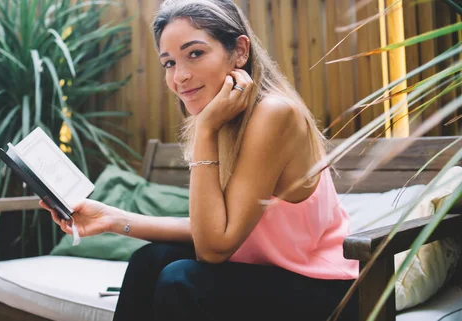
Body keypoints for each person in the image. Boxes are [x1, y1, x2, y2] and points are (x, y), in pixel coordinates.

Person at [40, 0, 360, 320]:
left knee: (181, 280)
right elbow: (210, 232)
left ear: (240, 51)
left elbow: (214, 249)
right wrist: (111, 219)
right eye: (168, 63)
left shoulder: (273, 113)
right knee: (149, 260)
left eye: (195, 53)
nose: (180, 76)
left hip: (322, 289)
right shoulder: (229, 119)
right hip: (266, 274)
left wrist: (205, 129)